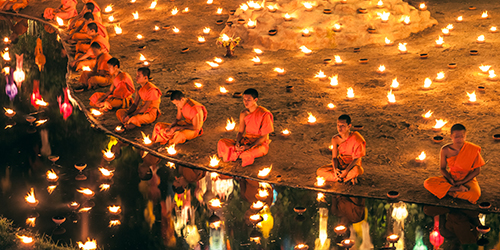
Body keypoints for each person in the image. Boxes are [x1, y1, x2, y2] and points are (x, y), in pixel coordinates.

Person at [424, 124, 485, 204]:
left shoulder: (472, 149)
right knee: (427, 183)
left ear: (465, 136)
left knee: (475, 195)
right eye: (456, 137)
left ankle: (447, 191)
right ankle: (456, 190)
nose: (459, 139)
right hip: (451, 177)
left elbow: (477, 171)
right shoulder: (445, 150)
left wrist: (462, 182)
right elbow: (442, 168)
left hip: (467, 179)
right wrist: (450, 179)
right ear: (451, 136)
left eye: (462, 136)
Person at [217, 88, 273, 167]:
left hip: (259, 144)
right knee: (221, 142)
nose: (245, 102)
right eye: (244, 99)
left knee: (247, 154)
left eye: (249, 100)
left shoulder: (264, 114)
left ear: (255, 100)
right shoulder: (243, 113)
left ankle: (238, 154)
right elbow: (240, 132)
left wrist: (249, 146)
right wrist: (238, 143)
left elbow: (264, 137)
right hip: (246, 141)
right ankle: (239, 153)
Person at [317, 114, 365, 185]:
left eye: (342, 126)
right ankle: (345, 178)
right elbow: (334, 157)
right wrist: (335, 169)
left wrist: (346, 171)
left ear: (349, 126)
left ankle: (342, 177)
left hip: (353, 166)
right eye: (338, 125)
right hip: (341, 164)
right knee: (320, 172)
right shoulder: (335, 139)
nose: (339, 128)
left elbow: (357, 158)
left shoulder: (356, 138)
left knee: (357, 171)